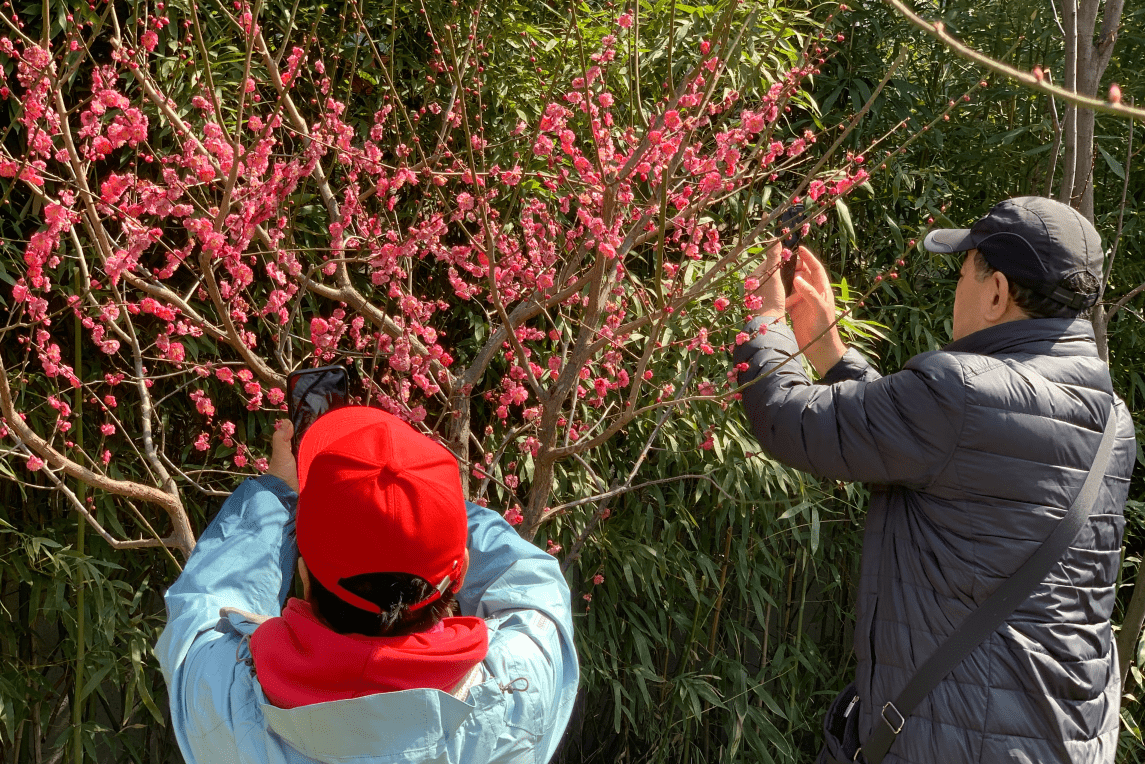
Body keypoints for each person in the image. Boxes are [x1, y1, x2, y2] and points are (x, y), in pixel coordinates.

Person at [733, 196, 1135, 763]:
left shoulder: (961, 392)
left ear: (995, 293)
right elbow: (941, 458)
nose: (957, 288)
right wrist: (831, 354)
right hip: (1060, 739)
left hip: (955, 741)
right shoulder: (1113, 418)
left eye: (964, 270)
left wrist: (765, 317)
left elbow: (787, 417)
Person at [156, 406, 579, 764]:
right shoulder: (519, 693)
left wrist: (279, 491)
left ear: (301, 572)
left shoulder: (222, 701)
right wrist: (428, 498)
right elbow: (531, 582)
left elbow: (205, 601)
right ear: (461, 570)